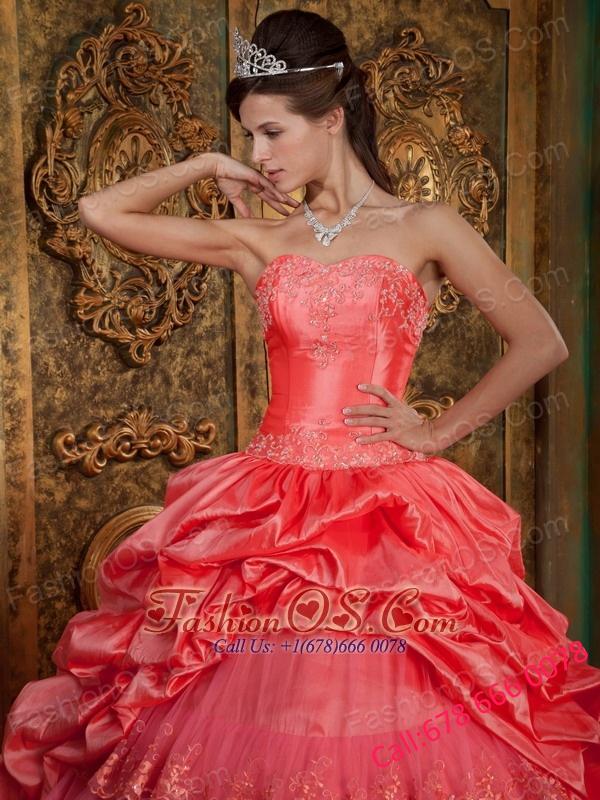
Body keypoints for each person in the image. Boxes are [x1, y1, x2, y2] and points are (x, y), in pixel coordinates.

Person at [2, 8, 599, 799]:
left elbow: (539, 341)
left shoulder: (425, 226)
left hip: (384, 518)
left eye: (273, 133)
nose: (260, 155)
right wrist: (207, 162)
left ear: (334, 116)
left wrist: (437, 431)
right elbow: (99, 212)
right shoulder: (261, 239)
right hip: (267, 513)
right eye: (249, 137)